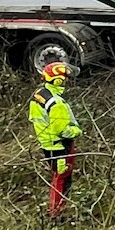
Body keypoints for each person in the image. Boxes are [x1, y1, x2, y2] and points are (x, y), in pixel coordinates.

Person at [28, 61, 82, 216]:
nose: (66, 81)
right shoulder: (56, 103)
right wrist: (77, 131)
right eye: (64, 78)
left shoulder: (39, 95)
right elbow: (62, 130)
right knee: (62, 179)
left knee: (58, 176)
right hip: (60, 146)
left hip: (47, 144)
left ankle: (56, 209)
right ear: (58, 80)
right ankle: (56, 211)